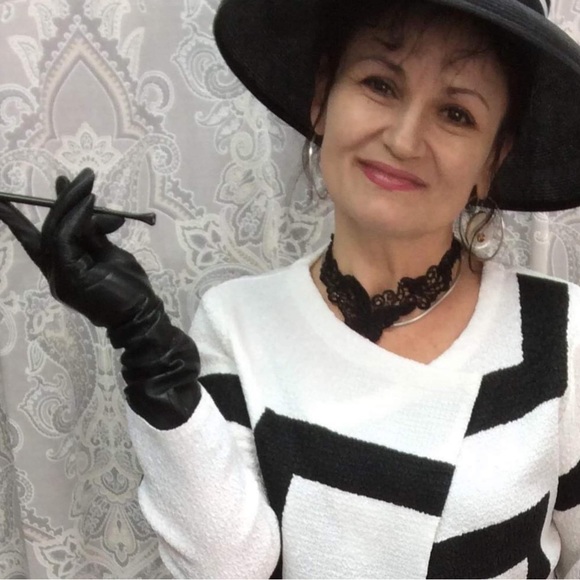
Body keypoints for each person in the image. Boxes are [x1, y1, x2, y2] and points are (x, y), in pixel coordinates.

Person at [0, 0, 579, 577]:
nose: (404, 140)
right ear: (323, 99)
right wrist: (145, 346)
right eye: (380, 84)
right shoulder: (237, 323)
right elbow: (229, 570)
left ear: (493, 157)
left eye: (456, 113)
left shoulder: (563, 333)